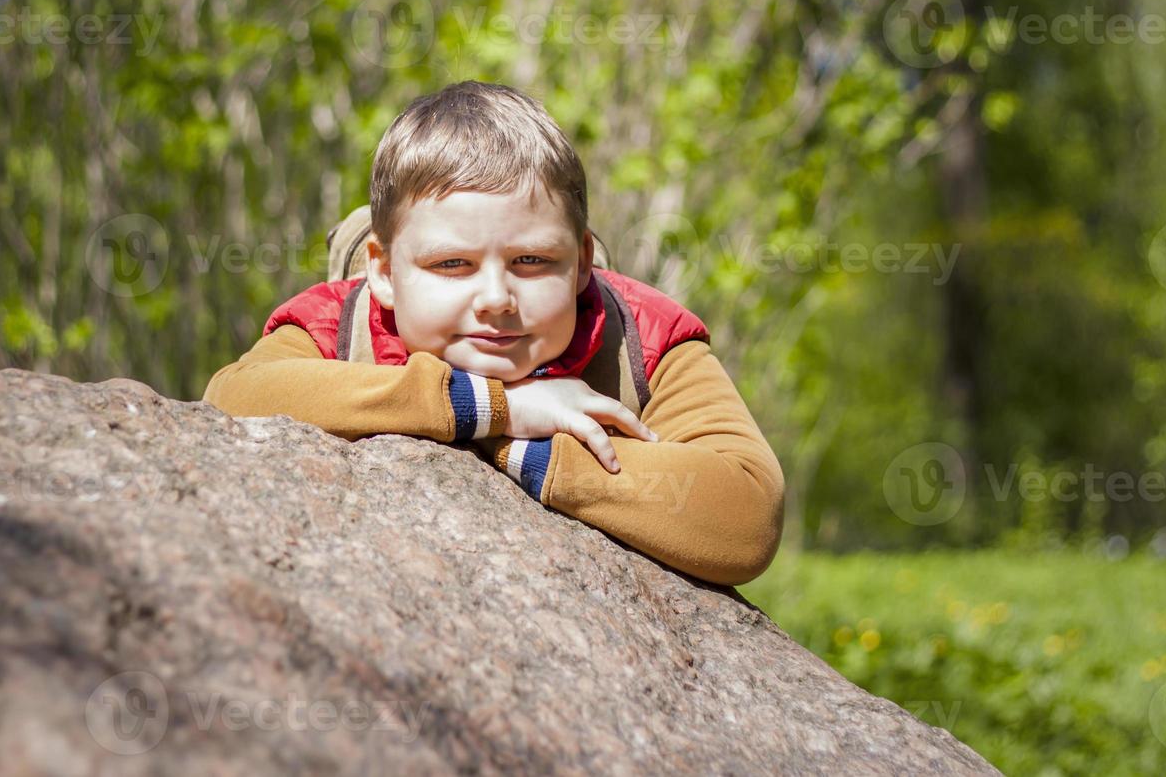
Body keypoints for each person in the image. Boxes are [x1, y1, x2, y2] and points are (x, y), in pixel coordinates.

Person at [203, 80, 783, 586]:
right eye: (452, 265)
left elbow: (747, 513)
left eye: (532, 261)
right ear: (382, 271)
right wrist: (490, 407)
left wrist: (525, 450)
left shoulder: (644, 339)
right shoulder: (339, 321)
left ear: (582, 263)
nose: (497, 299)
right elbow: (233, 398)